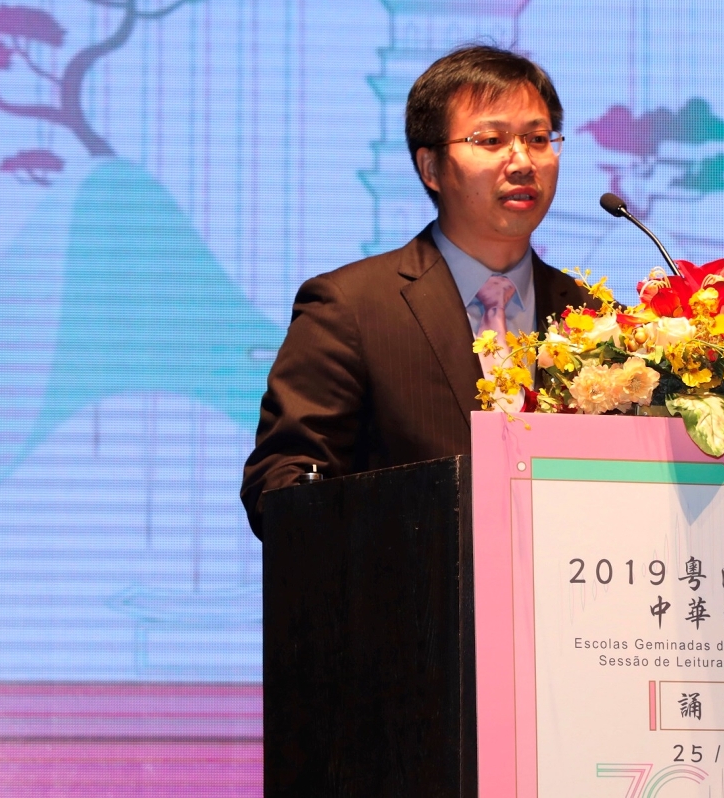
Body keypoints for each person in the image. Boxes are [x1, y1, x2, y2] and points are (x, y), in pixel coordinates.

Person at [240, 45, 590, 539]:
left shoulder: (593, 318)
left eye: (537, 139)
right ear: (430, 168)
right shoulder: (350, 309)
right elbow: (280, 485)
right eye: (491, 140)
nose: (522, 161)